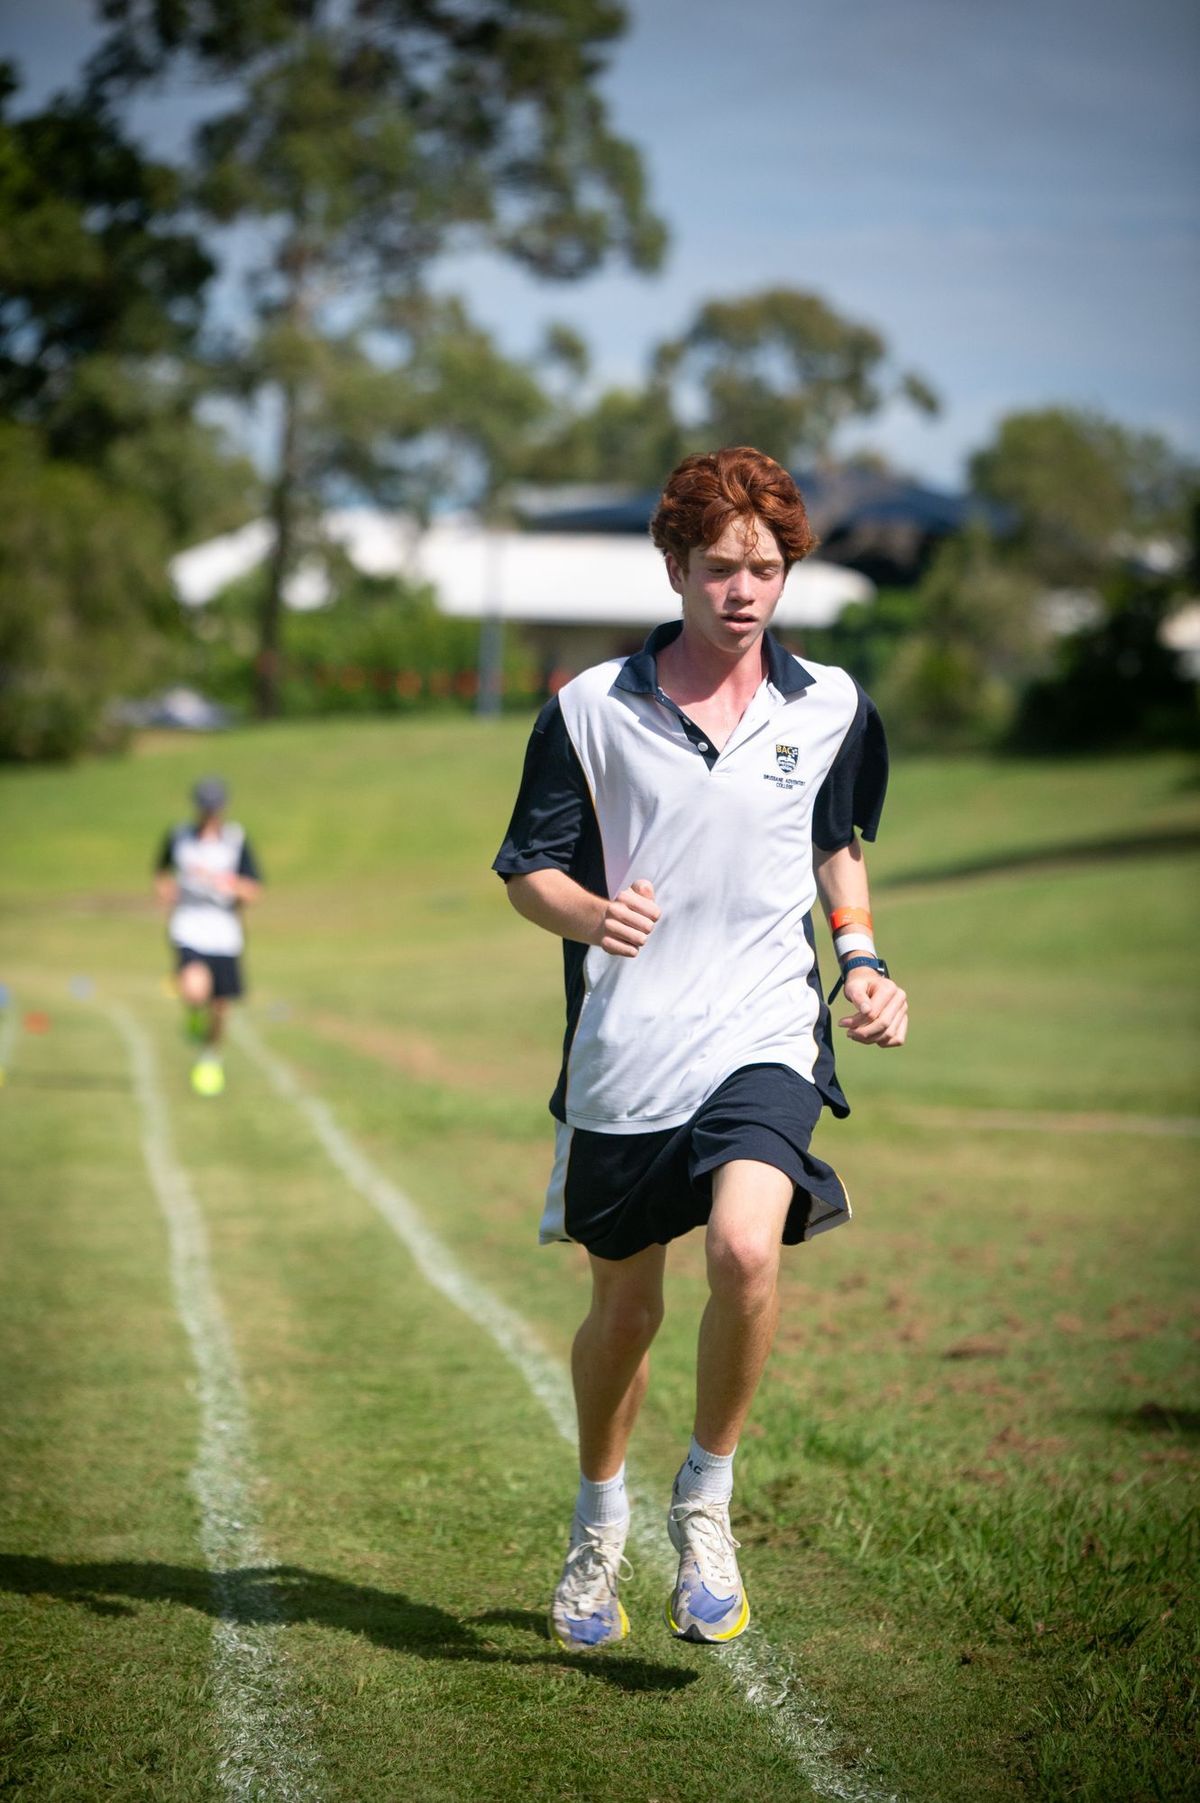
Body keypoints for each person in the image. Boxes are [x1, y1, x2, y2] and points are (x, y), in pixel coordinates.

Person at [493, 446, 907, 1650]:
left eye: (765, 569)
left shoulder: (830, 705)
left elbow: (836, 842)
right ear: (674, 565)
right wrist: (592, 916)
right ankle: (596, 1527)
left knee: (745, 1247)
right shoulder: (589, 708)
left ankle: (707, 1504)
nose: (744, 591)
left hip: (765, 1027)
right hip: (627, 1048)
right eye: (722, 567)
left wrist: (863, 959)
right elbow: (527, 869)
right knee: (624, 1314)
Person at [154, 776, 263, 1096]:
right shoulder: (179, 837)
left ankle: (210, 1057)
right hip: (188, 927)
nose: (210, 813)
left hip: (224, 932)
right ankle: (193, 1014)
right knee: (194, 989)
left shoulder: (235, 841)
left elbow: (253, 890)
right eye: (205, 807)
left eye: (214, 807)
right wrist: (166, 890)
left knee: (220, 1006)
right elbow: (161, 871)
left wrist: (223, 882)